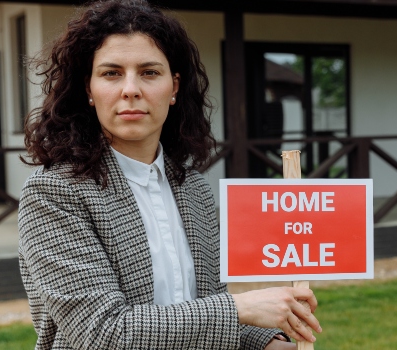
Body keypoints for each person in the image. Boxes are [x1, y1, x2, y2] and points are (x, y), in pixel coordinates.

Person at [17, 1, 321, 349]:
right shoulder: (53, 194)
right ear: (89, 89)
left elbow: (200, 308)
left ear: (173, 87)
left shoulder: (193, 189)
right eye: (111, 73)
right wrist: (241, 307)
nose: (130, 89)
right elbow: (101, 333)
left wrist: (267, 343)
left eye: (149, 72)